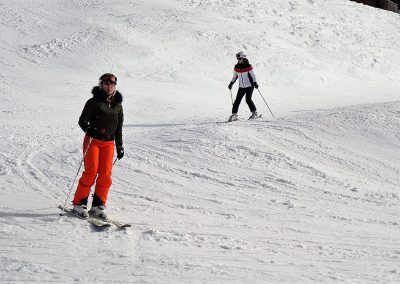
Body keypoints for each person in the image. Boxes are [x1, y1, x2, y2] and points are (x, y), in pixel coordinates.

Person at [72, 73, 124, 219]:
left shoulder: (118, 106)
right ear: (101, 85)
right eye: (106, 84)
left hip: (108, 143)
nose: (109, 86)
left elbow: (119, 128)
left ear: (115, 86)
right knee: (91, 171)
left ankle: (98, 206)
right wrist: (89, 130)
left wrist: (119, 146)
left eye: (112, 84)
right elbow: (82, 121)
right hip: (93, 141)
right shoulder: (93, 102)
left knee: (106, 174)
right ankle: (79, 204)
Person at [228, 51, 259, 122]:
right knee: (237, 100)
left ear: (243, 58)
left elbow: (253, 75)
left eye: (239, 58)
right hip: (241, 86)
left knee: (248, 99)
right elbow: (235, 76)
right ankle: (234, 115)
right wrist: (231, 83)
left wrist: (255, 82)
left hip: (249, 85)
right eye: (237, 59)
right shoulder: (236, 67)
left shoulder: (248, 66)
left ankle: (254, 113)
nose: (238, 60)